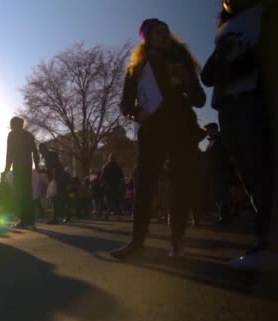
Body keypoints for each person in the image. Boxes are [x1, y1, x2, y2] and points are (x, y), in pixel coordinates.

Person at [110, 18, 207, 259]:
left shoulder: (181, 60)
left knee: (180, 183)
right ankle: (137, 241)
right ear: (147, 38)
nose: (163, 35)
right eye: (156, 32)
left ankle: (177, 240)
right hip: (152, 131)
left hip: (182, 128)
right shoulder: (138, 67)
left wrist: (186, 79)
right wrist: (136, 112)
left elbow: (200, 100)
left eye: (165, 30)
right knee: (144, 185)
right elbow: (125, 104)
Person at [201, 0, 276, 268]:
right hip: (227, 106)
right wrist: (224, 57)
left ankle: (269, 244)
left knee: (262, 169)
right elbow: (208, 76)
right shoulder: (224, 28)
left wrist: (231, 67)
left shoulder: (265, 12)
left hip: (255, 98)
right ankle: (268, 240)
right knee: (249, 175)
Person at [2, 116, 40, 229]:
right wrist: (36, 167)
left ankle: (24, 220)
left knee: (21, 193)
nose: (11, 126)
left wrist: (6, 169)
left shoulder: (12, 134)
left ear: (15, 124)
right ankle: (30, 220)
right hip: (28, 167)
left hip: (18, 167)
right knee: (28, 193)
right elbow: (35, 152)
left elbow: (9, 153)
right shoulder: (29, 135)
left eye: (12, 124)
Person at [203, 123, 233, 226]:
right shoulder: (212, 141)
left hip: (220, 171)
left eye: (207, 129)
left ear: (213, 129)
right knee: (218, 194)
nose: (206, 131)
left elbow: (223, 156)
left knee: (221, 195)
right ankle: (223, 216)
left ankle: (225, 217)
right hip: (214, 172)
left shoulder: (219, 140)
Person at [39, 144, 68, 224]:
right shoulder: (50, 155)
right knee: (58, 198)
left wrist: (54, 179)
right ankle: (60, 216)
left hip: (58, 178)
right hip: (59, 178)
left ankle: (56, 218)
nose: (40, 151)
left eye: (40, 149)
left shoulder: (49, 156)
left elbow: (54, 168)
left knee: (56, 198)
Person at [101, 154, 125, 220]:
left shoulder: (106, 166)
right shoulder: (117, 166)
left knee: (108, 201)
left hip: (109, 185)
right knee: (116, 200)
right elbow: (121, 176)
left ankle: (107, 214)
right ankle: (119, 215)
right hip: (116, 185)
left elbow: (103, 176)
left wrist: (104, 184)